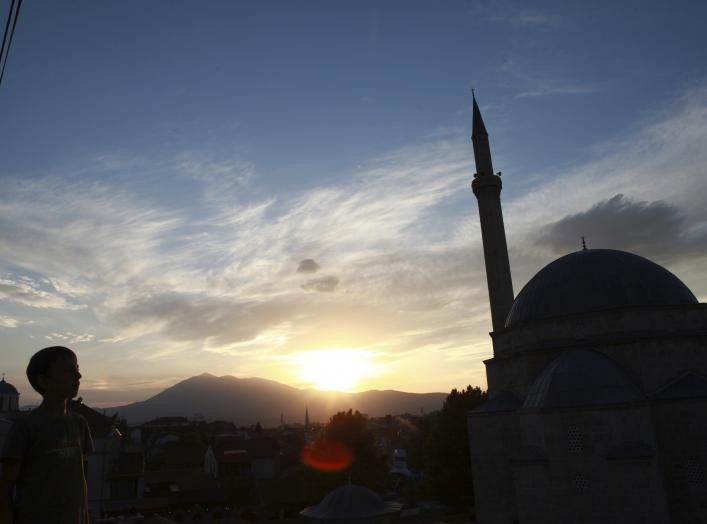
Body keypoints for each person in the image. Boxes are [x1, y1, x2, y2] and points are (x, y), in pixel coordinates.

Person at [0, 346, 94, 524]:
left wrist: (85, 517)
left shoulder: (80, 424)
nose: (78, 376)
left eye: (77, 369)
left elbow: (81, 479)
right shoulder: (26, 427)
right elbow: (5, 489)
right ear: (44, 380)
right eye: (68, 370)